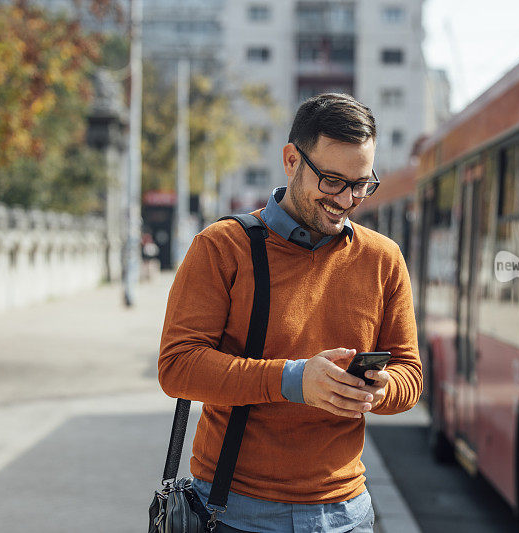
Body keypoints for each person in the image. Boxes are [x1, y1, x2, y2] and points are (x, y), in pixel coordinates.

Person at [158, 92, 422, 533]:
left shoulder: (383, 258)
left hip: (347, 514)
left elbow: (410, 375)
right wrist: (294, 380)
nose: (347, 199)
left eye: (361, 184)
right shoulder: (222, 247)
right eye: (333, 180)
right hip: (233, 513)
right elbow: (177, 368)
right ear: (291, 160)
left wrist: (378, 389)